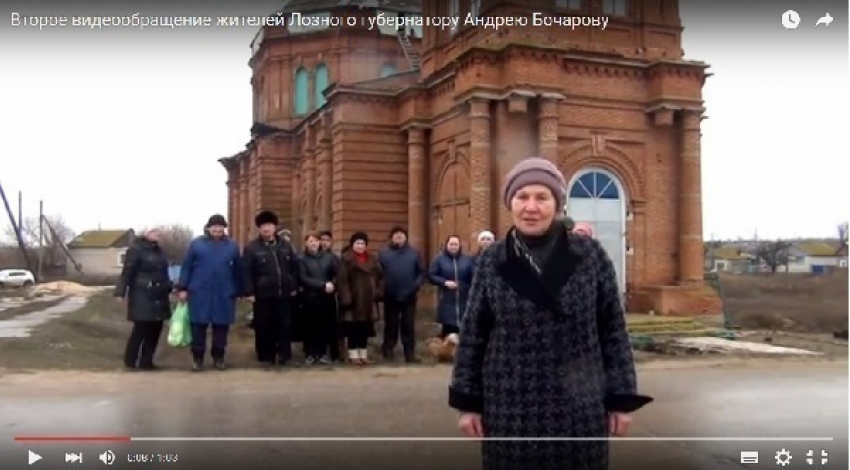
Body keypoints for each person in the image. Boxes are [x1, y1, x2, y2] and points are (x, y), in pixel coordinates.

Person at [449, 157, 651, 470]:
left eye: (542, 197)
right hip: (510, 406)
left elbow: (613, 330)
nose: (531, 206)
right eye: (522, 197)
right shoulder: (492, 261)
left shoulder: (589, 256)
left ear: (557, 204)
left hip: (579, 405)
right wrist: (468, 403)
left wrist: (621, 399)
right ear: (510, 203)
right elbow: (474, 334)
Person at [176, 214, 243, 372]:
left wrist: (239, 290)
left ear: (224, 228)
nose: (217, 229)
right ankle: (197, 359)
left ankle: (218, 358)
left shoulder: (232, 246)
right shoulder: (196, 244)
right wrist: (183, 288)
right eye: (214, 226)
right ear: (208, 228)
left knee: (221, 328)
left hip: (224, 293)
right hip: (199, 293)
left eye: (220, 226)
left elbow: (238, 270)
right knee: (198, 328)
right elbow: (186, 267)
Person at [242, 210, 300, 368]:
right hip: (262, 295)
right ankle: (265, 356)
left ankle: (284, 355)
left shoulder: (286, 246)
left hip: (284, 293)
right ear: (259, 229)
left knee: (285, 324)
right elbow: (246, 271)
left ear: (275, 227)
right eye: (263, 226)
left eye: (269, 225)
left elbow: (294, 267)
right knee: (263, 325)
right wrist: (249, 291)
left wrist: (294, 285)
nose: (266, 229)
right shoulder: (252, 248)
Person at [114, 228, 172, 371]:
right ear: (145, 233)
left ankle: (147, 361)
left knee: (156, 329)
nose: (157, 234)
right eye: (153, 232)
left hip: (159, 294)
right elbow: (127, 272)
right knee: (141, 328)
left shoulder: (159, 251)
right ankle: (130, 361)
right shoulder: (136, 249)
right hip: (142, 294)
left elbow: (163, 273)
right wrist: (121, 292)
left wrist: (170, 286)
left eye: (158, 232)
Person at [377, 226, 426, 363]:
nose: (399, 236)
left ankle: (410, 354)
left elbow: (421, 273)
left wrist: (415, 285)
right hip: (390, 295)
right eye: (396, 234)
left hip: (409, 296)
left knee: (408, 326)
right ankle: (388, 352)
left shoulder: (414, 253)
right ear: (391, 237)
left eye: (401, 234)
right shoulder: (383, 254)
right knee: (390, 325)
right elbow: (378, 274)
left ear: (406, 237)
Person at [337, 232, 383, 366]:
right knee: (353, 328)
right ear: (352, 245)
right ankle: (353, 355)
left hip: (369, 300)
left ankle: (363, 354)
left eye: (362, 243)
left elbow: (381, 277)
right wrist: (346, 298)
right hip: (354, 299)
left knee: (365, 328)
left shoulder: (373, 260)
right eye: (357, 243)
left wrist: (378, 292)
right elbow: (342, 280)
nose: (360, 246)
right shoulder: (346, 260)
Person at [298, 232, 339, 365]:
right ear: (306, 243)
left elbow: (337, 274)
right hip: (310, 298)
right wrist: (322, 285)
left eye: (315, 241)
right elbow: (303, 278)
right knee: (309, 327)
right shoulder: (301, 259)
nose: (313, 243)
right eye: (310, 241)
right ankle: (310, 354)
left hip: (327, 298)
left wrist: (333, 284)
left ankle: (322, 354)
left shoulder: (328, 258)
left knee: (325, 327)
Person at [427, 235, 475, 339]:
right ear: (447, 245)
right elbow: (431, 275)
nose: (453, 247)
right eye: (451, 244)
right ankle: (446, 351)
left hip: (463, 298)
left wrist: (469, 288)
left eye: (456, 244)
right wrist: (444, 282)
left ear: (459, 245)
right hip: (446, 298)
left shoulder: (467, 259)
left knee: (464, 329)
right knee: (448, 328)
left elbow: (473, 276)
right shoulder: (439, 259)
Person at [318, 229, 343, 363]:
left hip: (330, 295)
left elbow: (339, 275)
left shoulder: (334, 258)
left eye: (327, 240)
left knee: (332, 326)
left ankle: (334, 354)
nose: (324, 243)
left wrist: (332, 284)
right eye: (322, 240)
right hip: (316, 294)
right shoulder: (314, 256)